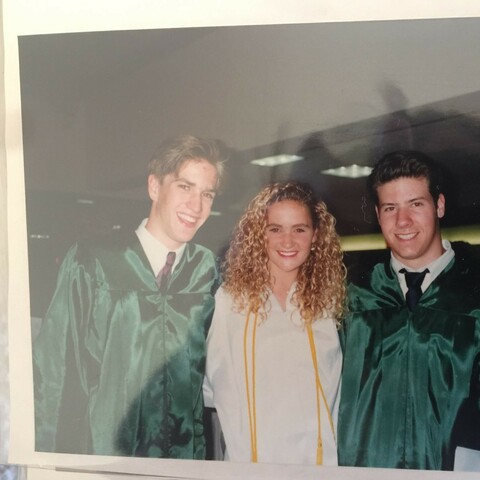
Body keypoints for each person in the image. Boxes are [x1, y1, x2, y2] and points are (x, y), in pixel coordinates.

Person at [33, 134, 228, 458]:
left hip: (182, 457)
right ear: (154, 187)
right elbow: (55, 371)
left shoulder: (206, 271)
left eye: (207, 193)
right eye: (184, 187)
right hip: (104, 455)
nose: (196, 206)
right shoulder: (93, 262)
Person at [338, 150, 480, 470]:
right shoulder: (352, 297)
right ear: (378, 214)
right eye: (391, 208)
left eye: (416, 204)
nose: (402, 221)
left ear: (439, 205)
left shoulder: (473, 297)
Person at [204, 182, 346, 465]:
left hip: (319, 467)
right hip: (250, 467)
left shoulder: (330, 305)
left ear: (315, 235)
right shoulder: (230, 302)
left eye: (300, 229)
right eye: (275, 229)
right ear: (259, 235)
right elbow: (212, 392)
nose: (288, 241)